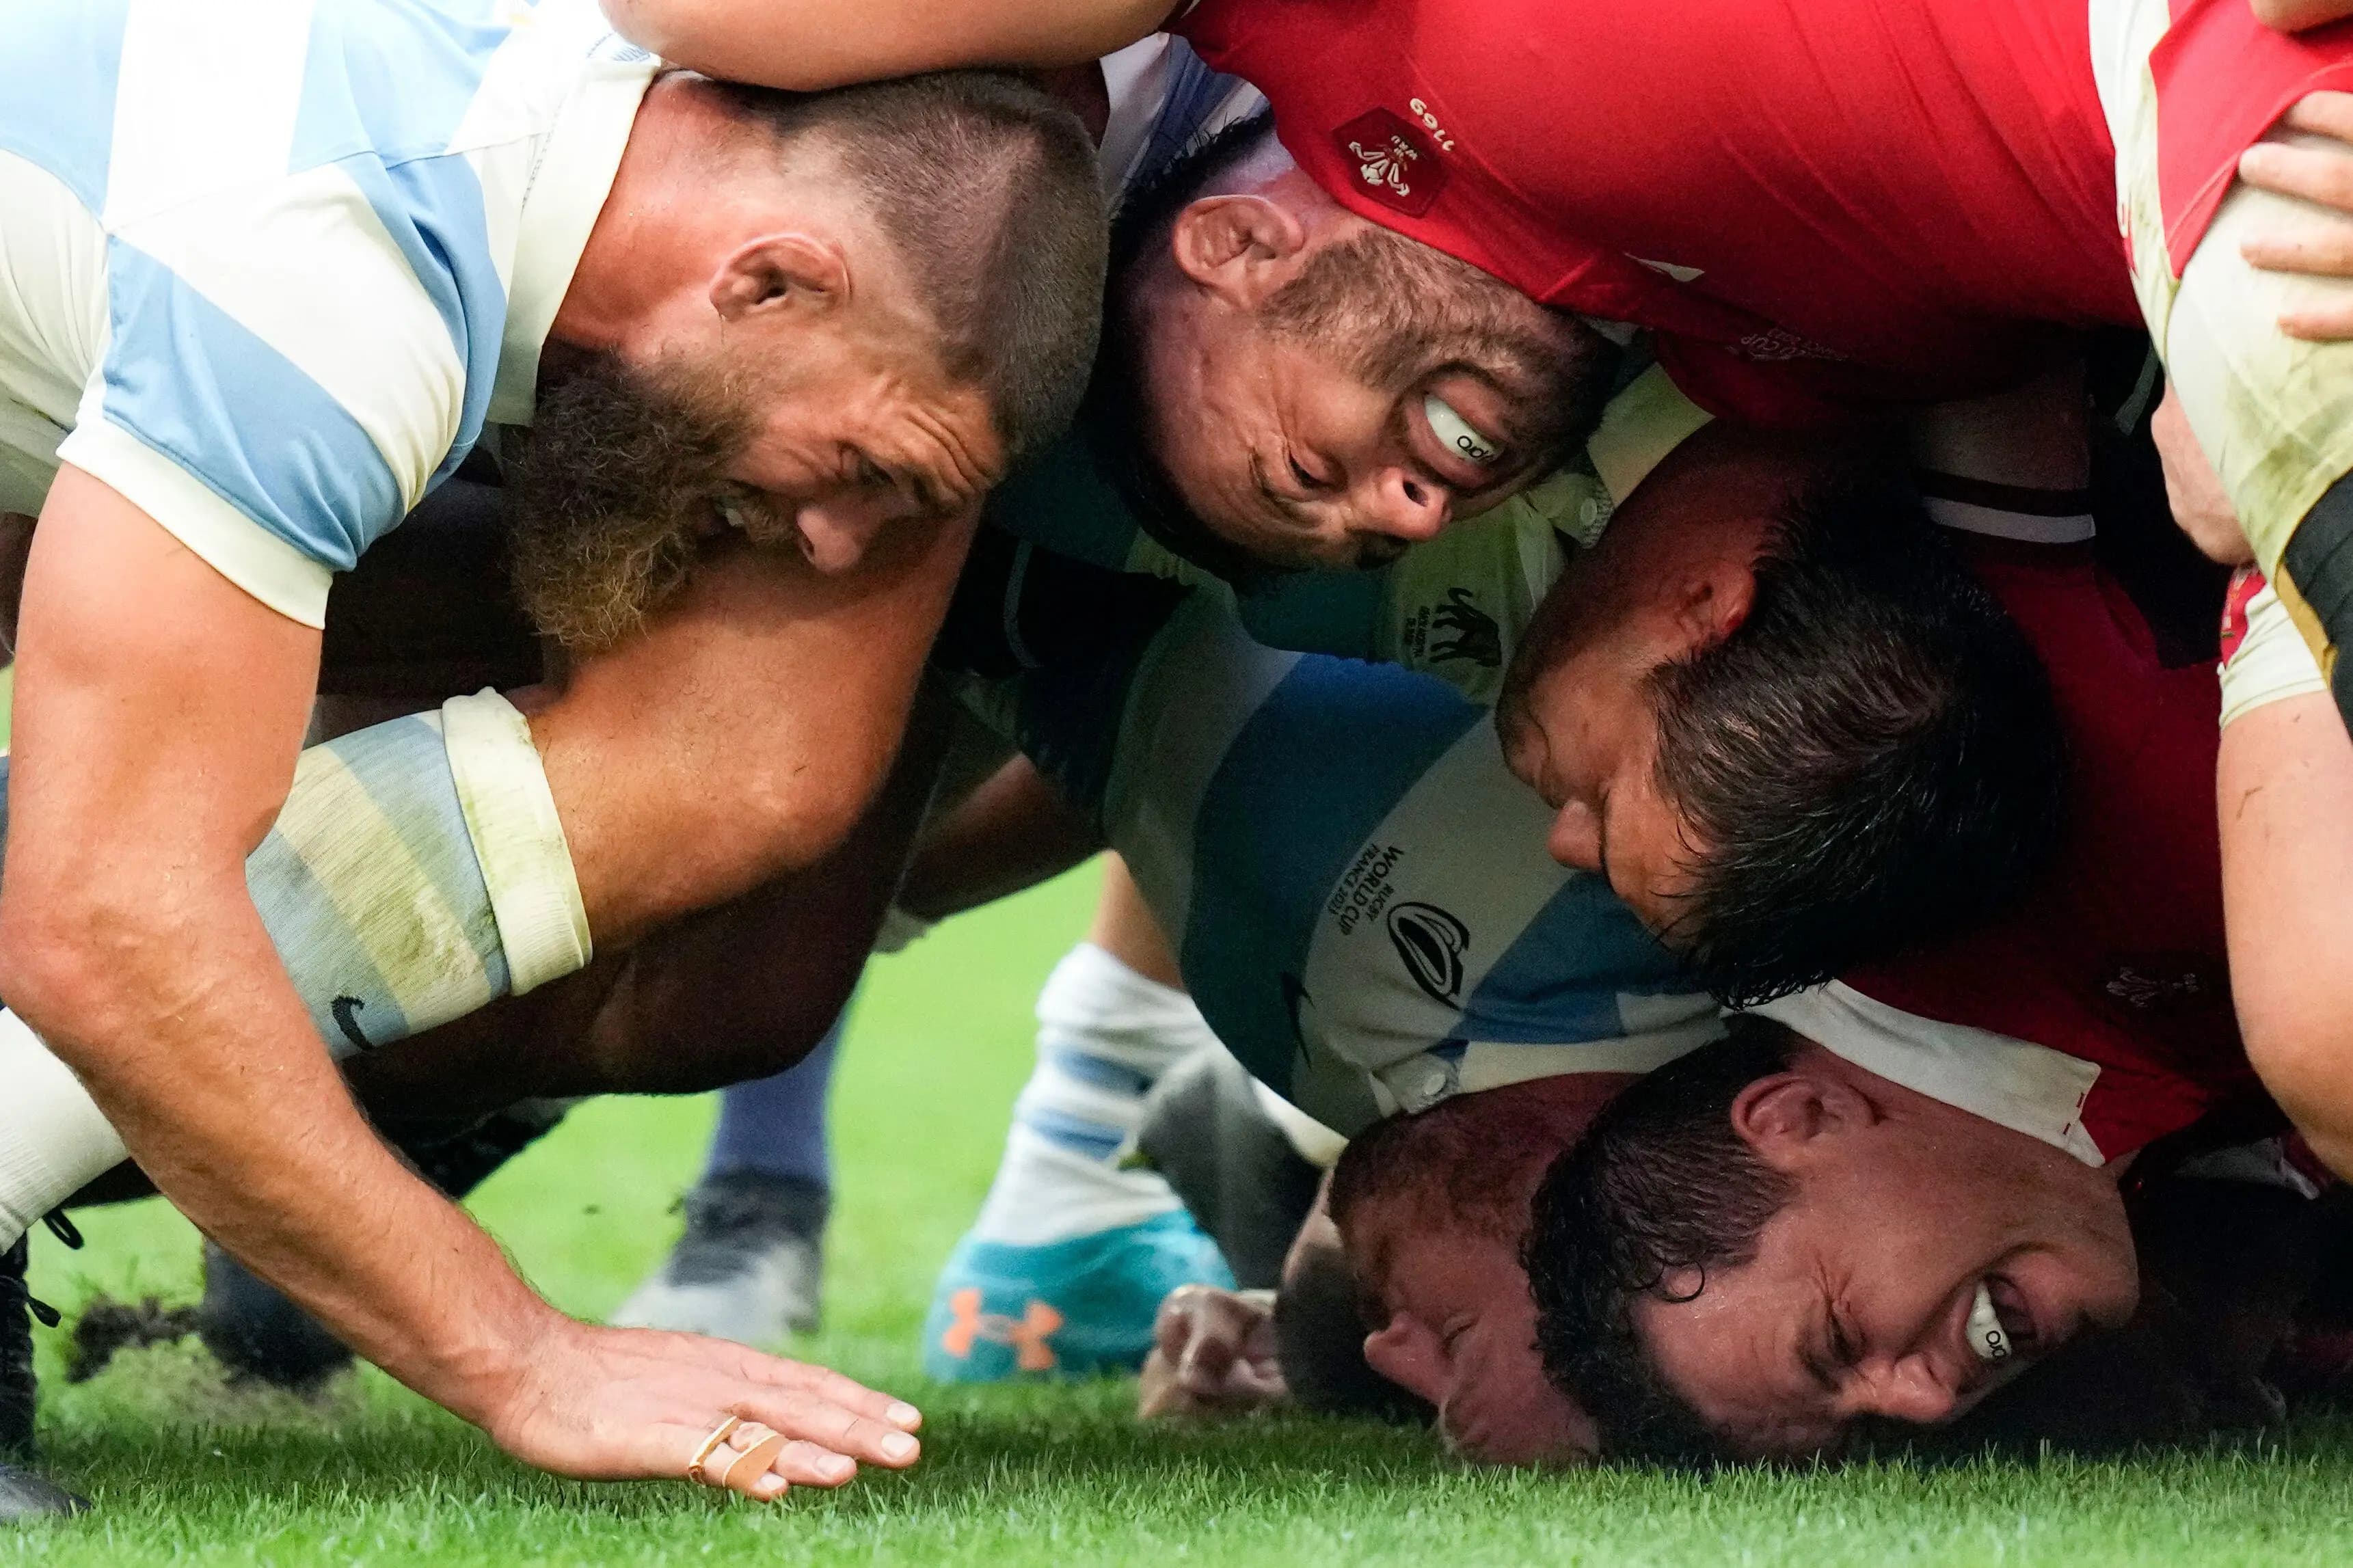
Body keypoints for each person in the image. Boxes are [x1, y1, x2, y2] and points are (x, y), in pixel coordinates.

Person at [0, 0, 1109, 1508]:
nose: (833, 538)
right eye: (866, 466)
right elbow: (103, 924)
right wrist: (521, 1355)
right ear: (772, 280)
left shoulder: (515, 110)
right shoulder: (339, 285)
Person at [613, 0, 2353, 735]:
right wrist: (2169, 366)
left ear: (1236, 246)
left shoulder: (1363, 38)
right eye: (1382, 534)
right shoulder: (1784, 375)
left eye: (1319, 470)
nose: (1411, 498)